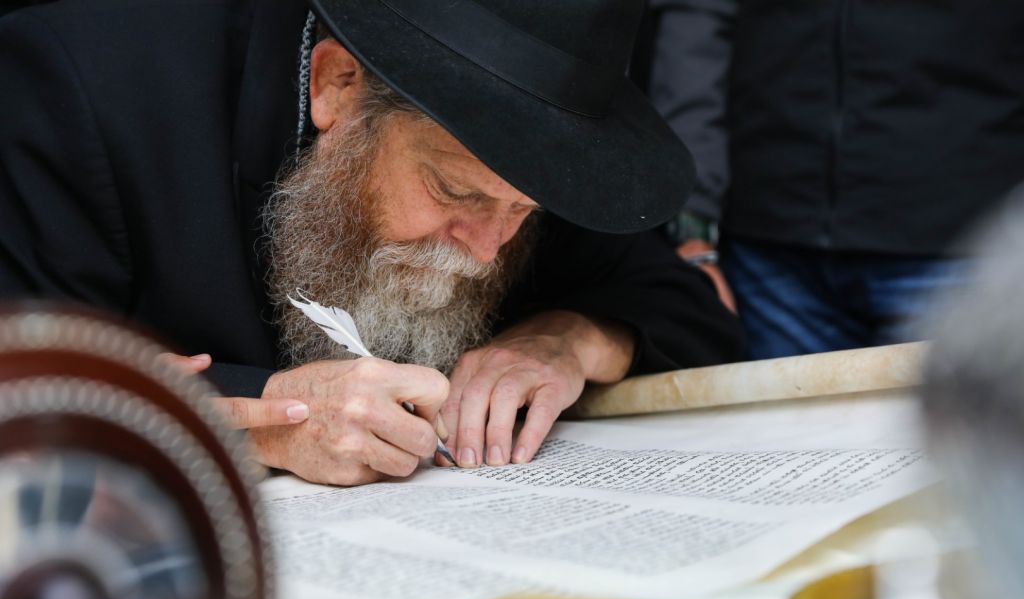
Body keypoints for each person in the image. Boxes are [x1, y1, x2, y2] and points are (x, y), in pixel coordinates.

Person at [0, 0, 742, 485]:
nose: (487, 249)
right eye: (453, 192)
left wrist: (568, 340)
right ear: (337, 86)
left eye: (524, 210)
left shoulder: (520, 158)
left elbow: (688, 313)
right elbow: (22, 377)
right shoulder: (83, 87)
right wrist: (265, 419)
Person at [640, 0, 1024, 359]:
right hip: (771, 252)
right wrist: (691, 223)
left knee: (961, 411)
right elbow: (699, 18)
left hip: (965, 244)